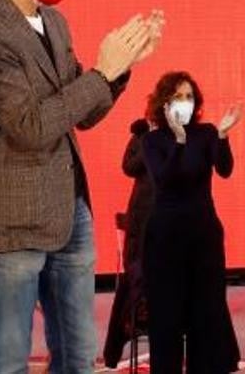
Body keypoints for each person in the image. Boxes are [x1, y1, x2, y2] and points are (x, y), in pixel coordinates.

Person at [0, 0, 163, 373]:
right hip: (13, 221)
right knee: (7, 354)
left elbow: (82, 113)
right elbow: (31, 127)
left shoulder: (53, 20)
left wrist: (121, 68)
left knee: (77, 349)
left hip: (71, 208)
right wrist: (101, 72)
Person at [142, 72, 242, 373]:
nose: (184, 103)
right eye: (177, 97)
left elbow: (225, 169)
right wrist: (179, 142)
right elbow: (164, 179)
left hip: (204, 236)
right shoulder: (152, 139)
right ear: (164, 103)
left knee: (207, 316)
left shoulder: (207, 132)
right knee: (166, 319)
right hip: (165, 239)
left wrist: (223, 136)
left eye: (189, 96)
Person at [103, 118, 154, 369]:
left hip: (170, 217)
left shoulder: (181, 135)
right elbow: (129, 166)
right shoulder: (141, 135)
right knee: (135, 278)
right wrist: (147, 139)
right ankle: (134, 322)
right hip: (141, 217)